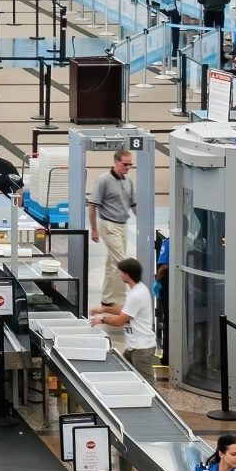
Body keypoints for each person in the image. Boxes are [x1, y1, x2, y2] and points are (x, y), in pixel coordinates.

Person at [87, 257, 158, 378]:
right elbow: (125, 309)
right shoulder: (137, 289)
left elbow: (120, 321)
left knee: (147, 383)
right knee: (123, 372)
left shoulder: (137, 295)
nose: (120, 275)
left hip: (142, 348)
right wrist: (104, 309)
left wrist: (101, 319)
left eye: (121, 272)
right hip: (134, 346)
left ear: (127, 274)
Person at [89, 149, 138, 304]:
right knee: (121, 261)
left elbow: (132, 203)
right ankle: (126, 299)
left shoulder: (127, 181)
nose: (127, 167)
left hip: (122, 225)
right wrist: (94, 229)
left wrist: (143, 223)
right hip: (109, 225)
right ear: (116, 162)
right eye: (125, 164)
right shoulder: (103, 180)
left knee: (112, 264)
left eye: (130, 165)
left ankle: (108, 298)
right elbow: (93, 205)